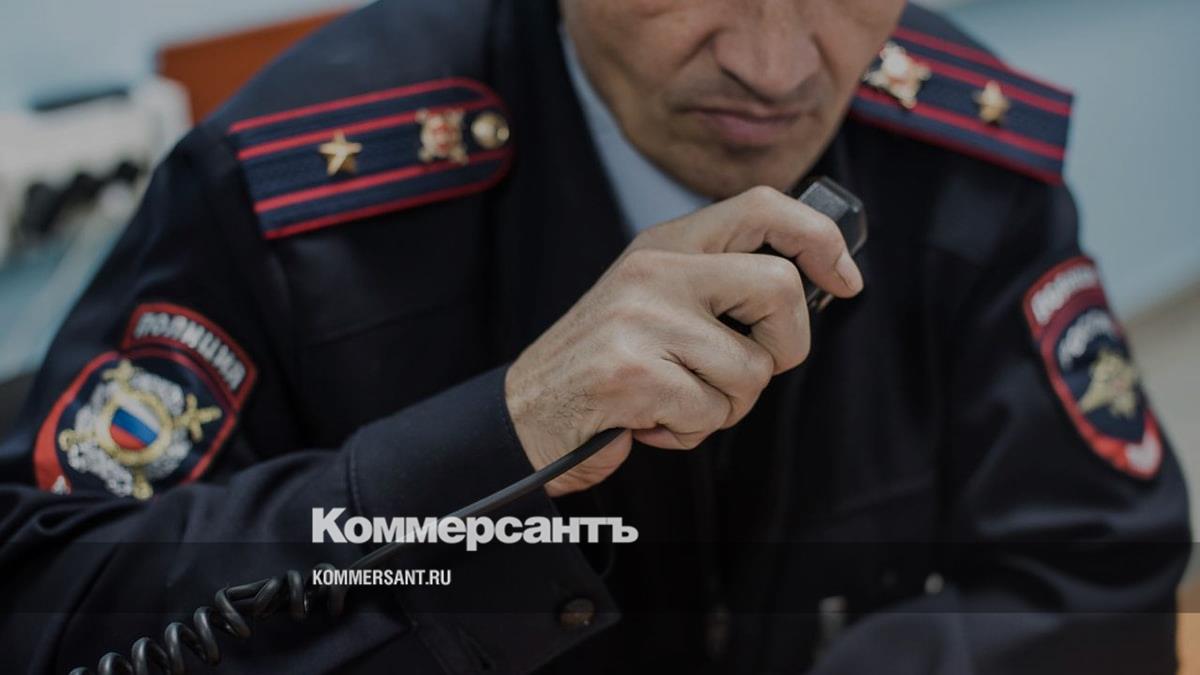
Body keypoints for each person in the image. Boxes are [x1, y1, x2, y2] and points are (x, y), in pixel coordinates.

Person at [0, 0, 1189, 673]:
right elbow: (49, 603)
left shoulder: (962, 159)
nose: (775, 68)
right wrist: (501, 434)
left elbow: (1104, 566)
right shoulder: (291, 190)